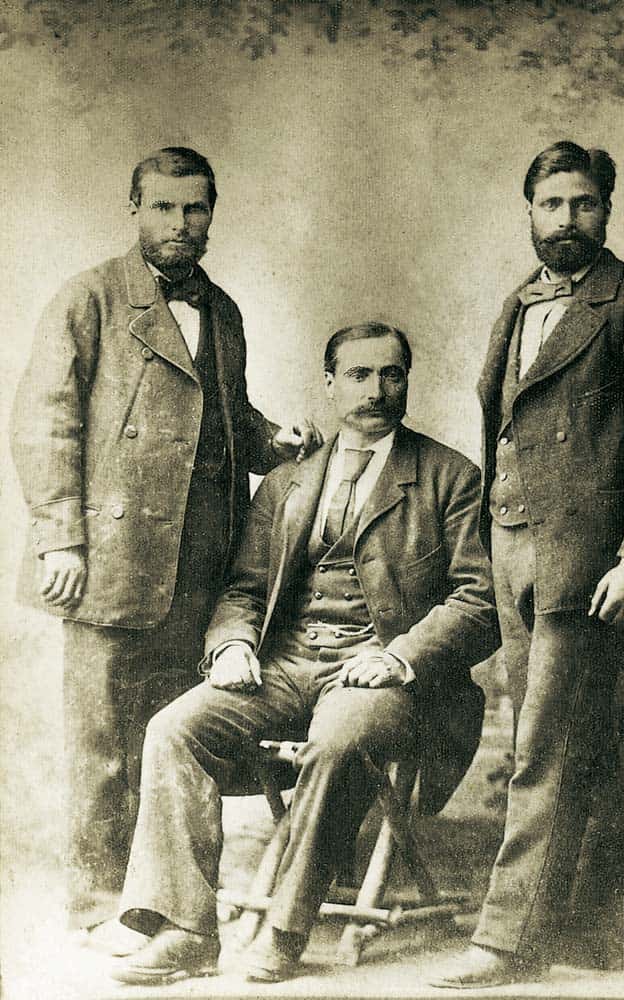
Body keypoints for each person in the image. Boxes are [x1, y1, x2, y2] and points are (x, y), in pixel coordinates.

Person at [108, 321, 499, 985]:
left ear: (406, 380)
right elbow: (244, 588)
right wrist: (233, 644)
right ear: (329, 384)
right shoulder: (287, 480)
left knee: (340, 738)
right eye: (358, 374)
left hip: (384, 676)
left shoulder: (449, 477)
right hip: (287, 664)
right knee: (174, 728)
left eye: (391, 375)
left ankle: (285, 928)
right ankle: (185, 930)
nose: (376, 390)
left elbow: (479, 599)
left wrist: (399, 656)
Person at [10, 147, 322, 944]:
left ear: (211, 213)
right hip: (110, 557)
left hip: (201, 563)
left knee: (174, 737)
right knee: (103, 743)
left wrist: (274, 442)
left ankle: (168, 903)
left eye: (194, 209)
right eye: (163, 207)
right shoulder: (89, 297)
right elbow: (45, 421)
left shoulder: (223, 311)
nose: (180, 224)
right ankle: (96, 905)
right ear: (135, 210)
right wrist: (59, 540)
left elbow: (224, 415)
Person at [429, 141, 624, 988]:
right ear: (529, 211)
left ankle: (506, 942)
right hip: (510, 544)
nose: (566, 219)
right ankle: (571, 931)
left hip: (583, 562)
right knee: (544, 741)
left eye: (582, 203)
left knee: (545, 750)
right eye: (550, 204)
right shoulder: (517, 304)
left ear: (606, 211)